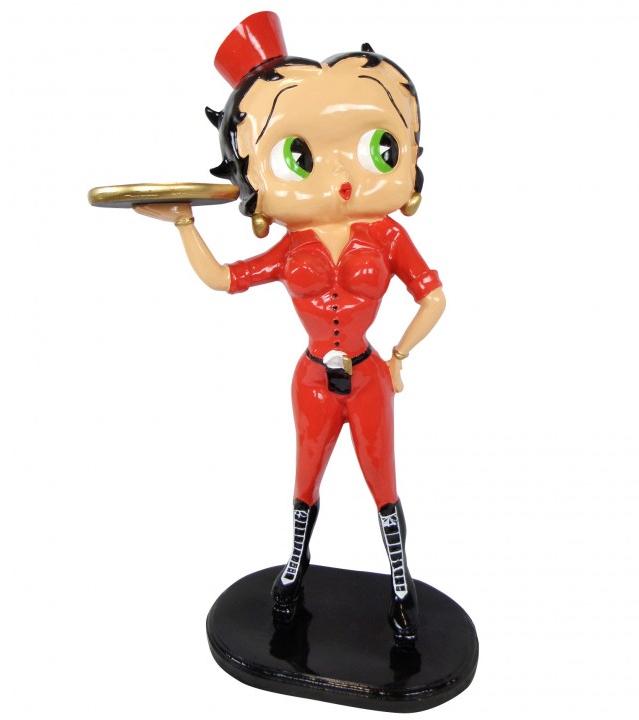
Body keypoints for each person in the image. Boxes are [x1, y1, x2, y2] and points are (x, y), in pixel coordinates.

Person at [134, 12, 445, 643]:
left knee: (382, 482)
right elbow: (223, 278)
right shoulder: (290, 247)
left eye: (379, 146)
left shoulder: (388, 236)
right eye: (299, 155)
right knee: (306, 480)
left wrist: (399, 355)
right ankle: (295, 567)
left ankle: (400, 581)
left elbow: (433, 297)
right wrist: (185, 224)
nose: (342, 177)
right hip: (312, 379)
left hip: (367, 377)